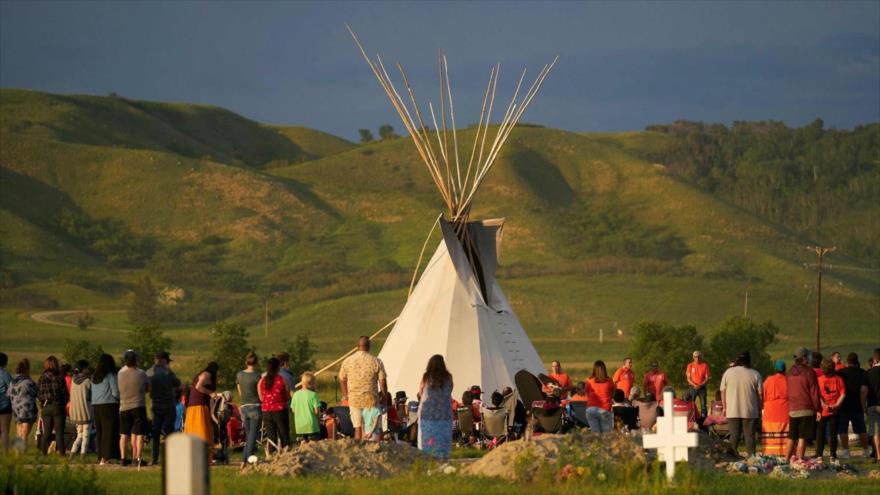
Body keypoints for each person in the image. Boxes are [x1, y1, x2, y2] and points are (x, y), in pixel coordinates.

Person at [338, 336, 387, 441]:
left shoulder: (348, 361)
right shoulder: (376, 361)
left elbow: (342, 379)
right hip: (371, 400)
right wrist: (384, 395)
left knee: (358, 428)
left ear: (357, 346)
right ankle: (378, 451)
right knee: (375, 428)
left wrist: (346, 395)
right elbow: (382, 381)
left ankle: (359, 452)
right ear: (368, 347)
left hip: (355, 400)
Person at [719, 351, 762, 456]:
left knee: (734, 436)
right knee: (750, 436)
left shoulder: (728, 372)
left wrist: (725, 407)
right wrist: (760, 409)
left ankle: (730, 457)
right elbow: (760, 395)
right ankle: (751, 458)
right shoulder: (755, 374)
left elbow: (722, 391)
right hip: (750, 411)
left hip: (732, 410)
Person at [784, 347, 820, 460]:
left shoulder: (790, 371)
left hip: (793, 409)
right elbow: (814, 393)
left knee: (791, 437)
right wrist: (818, 408)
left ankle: (785, 460)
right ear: (804, 358)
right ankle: (799, 461)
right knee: (802, 437)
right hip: (806, 409)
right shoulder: (810, 372)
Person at [146, 350, 180, 466]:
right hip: (169, 406)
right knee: (169, 433)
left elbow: (145, 387)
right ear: (164, 360)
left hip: (155, 406)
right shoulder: (167, 372)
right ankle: (169, 458)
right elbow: (177, 383)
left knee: (155, 433)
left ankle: (154, 459)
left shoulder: (148, 372)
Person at [417, 354, 453, 459]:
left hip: (427, 414)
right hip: (444, 414)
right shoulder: (448, 377)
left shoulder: (426, 377)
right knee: (442, 440)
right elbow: (450, 390)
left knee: (427, 441)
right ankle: (443, 459)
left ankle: (427, 460)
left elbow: (420, 392)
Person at [118, 350, 149, 467]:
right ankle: (137, 458)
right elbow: (147, 388)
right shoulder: (141, 373)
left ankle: (123, 458)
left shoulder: (120, 372)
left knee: (124, 434)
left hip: (124, 406)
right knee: (139, 433)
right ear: (136, 359)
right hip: (138, 406)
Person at [836, 352, 870, 458]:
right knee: (861, 429)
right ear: (857, 361)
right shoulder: (863, 373)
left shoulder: (840, 373)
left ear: (847, 361)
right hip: (857, 405)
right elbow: (863, 390)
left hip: (844, 405)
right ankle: (865, 451)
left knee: (843, 429)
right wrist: (863, 405)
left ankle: (846, 451)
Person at [185, 362, 219, 456]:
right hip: (198, 406)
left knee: (195, 429)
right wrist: (210, 393)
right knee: (201, 429)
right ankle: (202, 454)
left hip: (195, 406)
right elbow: (198, 386)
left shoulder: (203, 374)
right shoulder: (206, 374)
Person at [90, 353, 120, 464]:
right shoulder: (110, 375)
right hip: (109, 404)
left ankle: (100, 456)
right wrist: (119, 399)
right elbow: (115, 392)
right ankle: (107, 456)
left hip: (96, 405)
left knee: (100, 431)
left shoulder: (94, 376)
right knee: (109, 431)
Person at [37, 356, 68, 455]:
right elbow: (65, 394)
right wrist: (62, 403)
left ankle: (43, 454)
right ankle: (62, 455)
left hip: (46, 407)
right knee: (59, 433)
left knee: (47, 432)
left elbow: (38, 394)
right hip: (58, 406)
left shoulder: (41, 378)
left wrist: (42, 403)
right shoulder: (59, 377)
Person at [259, 357, 290, 454]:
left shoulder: (262, 381)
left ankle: (272, 455)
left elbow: (261, 398)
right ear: (278, 368)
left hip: (266, 411)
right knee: (284, 434)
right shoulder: (282, 379)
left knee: (271, 436)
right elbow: (287, 396)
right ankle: (286, 454)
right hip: (280, 410)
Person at [816, 358, 845, 460]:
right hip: (835, 410)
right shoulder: (838, 379)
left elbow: (818, 395)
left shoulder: (819, 379)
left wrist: (824, 405)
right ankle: (833, 454)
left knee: (820, 433)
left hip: (822, 410)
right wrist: (837, 404)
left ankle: (819, 455)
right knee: (833, 433)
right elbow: (843, 394)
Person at [236, 352, 261, 467]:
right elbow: (260, 393)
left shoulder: (239, 375)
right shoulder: (257, 376)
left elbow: (240, 392)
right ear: (256, 363)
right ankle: (247, 460)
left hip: (244, 407)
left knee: (248, 435)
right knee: (252, 436)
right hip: (255, 406)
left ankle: (244, 461)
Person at [8, 359, 37, 452]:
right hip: (27, 410)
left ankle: (18, 454)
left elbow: (8, 394)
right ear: (27, 369)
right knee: (24, 433)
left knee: (19, 432)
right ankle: (23, 453)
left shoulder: (12, 382)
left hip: (16, 410)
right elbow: (36, 393)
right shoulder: (29, 382)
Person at [761, 360, 789, 456]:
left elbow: (762, 394)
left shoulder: (769, 380)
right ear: (785, 369)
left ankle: (770, 452)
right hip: (785, 411)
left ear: (775, 369)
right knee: (785, 434)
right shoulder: (788, 380)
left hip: (770, 412)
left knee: (770, 434)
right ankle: (785, 452)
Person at [68, 360, 93, 457]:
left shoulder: (73, 381)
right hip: (86, 411)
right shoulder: (87, 381)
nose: (88, 370)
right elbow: (91, 397)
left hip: (75, 412)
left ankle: (73, 453)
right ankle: (83, 455)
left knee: (80, 434)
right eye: (87, 368)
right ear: (83, 369)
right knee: (86, 435)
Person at [291, 372, 321, 443]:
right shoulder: (313, 395)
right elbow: (317, 412)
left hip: (300, 426)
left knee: (303, 447)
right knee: (313, 446)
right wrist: (319, 422)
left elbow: (293, 410)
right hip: (312, 426)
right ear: (311, 383)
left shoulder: (295, 394)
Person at [585, 360, 615, 433]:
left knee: (596, 435)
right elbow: (613, 394)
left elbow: (587, 394)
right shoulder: (609, 381)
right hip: (604, 409)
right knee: (606, 436)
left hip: (591, 409)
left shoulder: (589, 380)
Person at [865, 348, 880, 462]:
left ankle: (878, 455)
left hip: (872, 404)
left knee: (875, 431)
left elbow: (863, 390)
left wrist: (863, 405)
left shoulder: (868, 373)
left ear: (874, 359)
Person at [686, 350, 710, 418]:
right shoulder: (690, 365)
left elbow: (707, 378)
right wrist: (694, 385)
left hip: (702, 388)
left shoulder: (704, 365)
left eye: (698, 356)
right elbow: (688, 378)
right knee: (691, 404)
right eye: (695, 357)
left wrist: (701, 385)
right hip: (692, 387)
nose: (697, 358)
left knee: (703, 404)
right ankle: (691, 418)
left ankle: (703, 419)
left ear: (700, 357)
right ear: (693, 357)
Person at [0, 353, 12, 451]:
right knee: (4, 430)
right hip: (5, 405)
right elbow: (11, 388)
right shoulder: (5, 374)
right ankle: (5, 453)